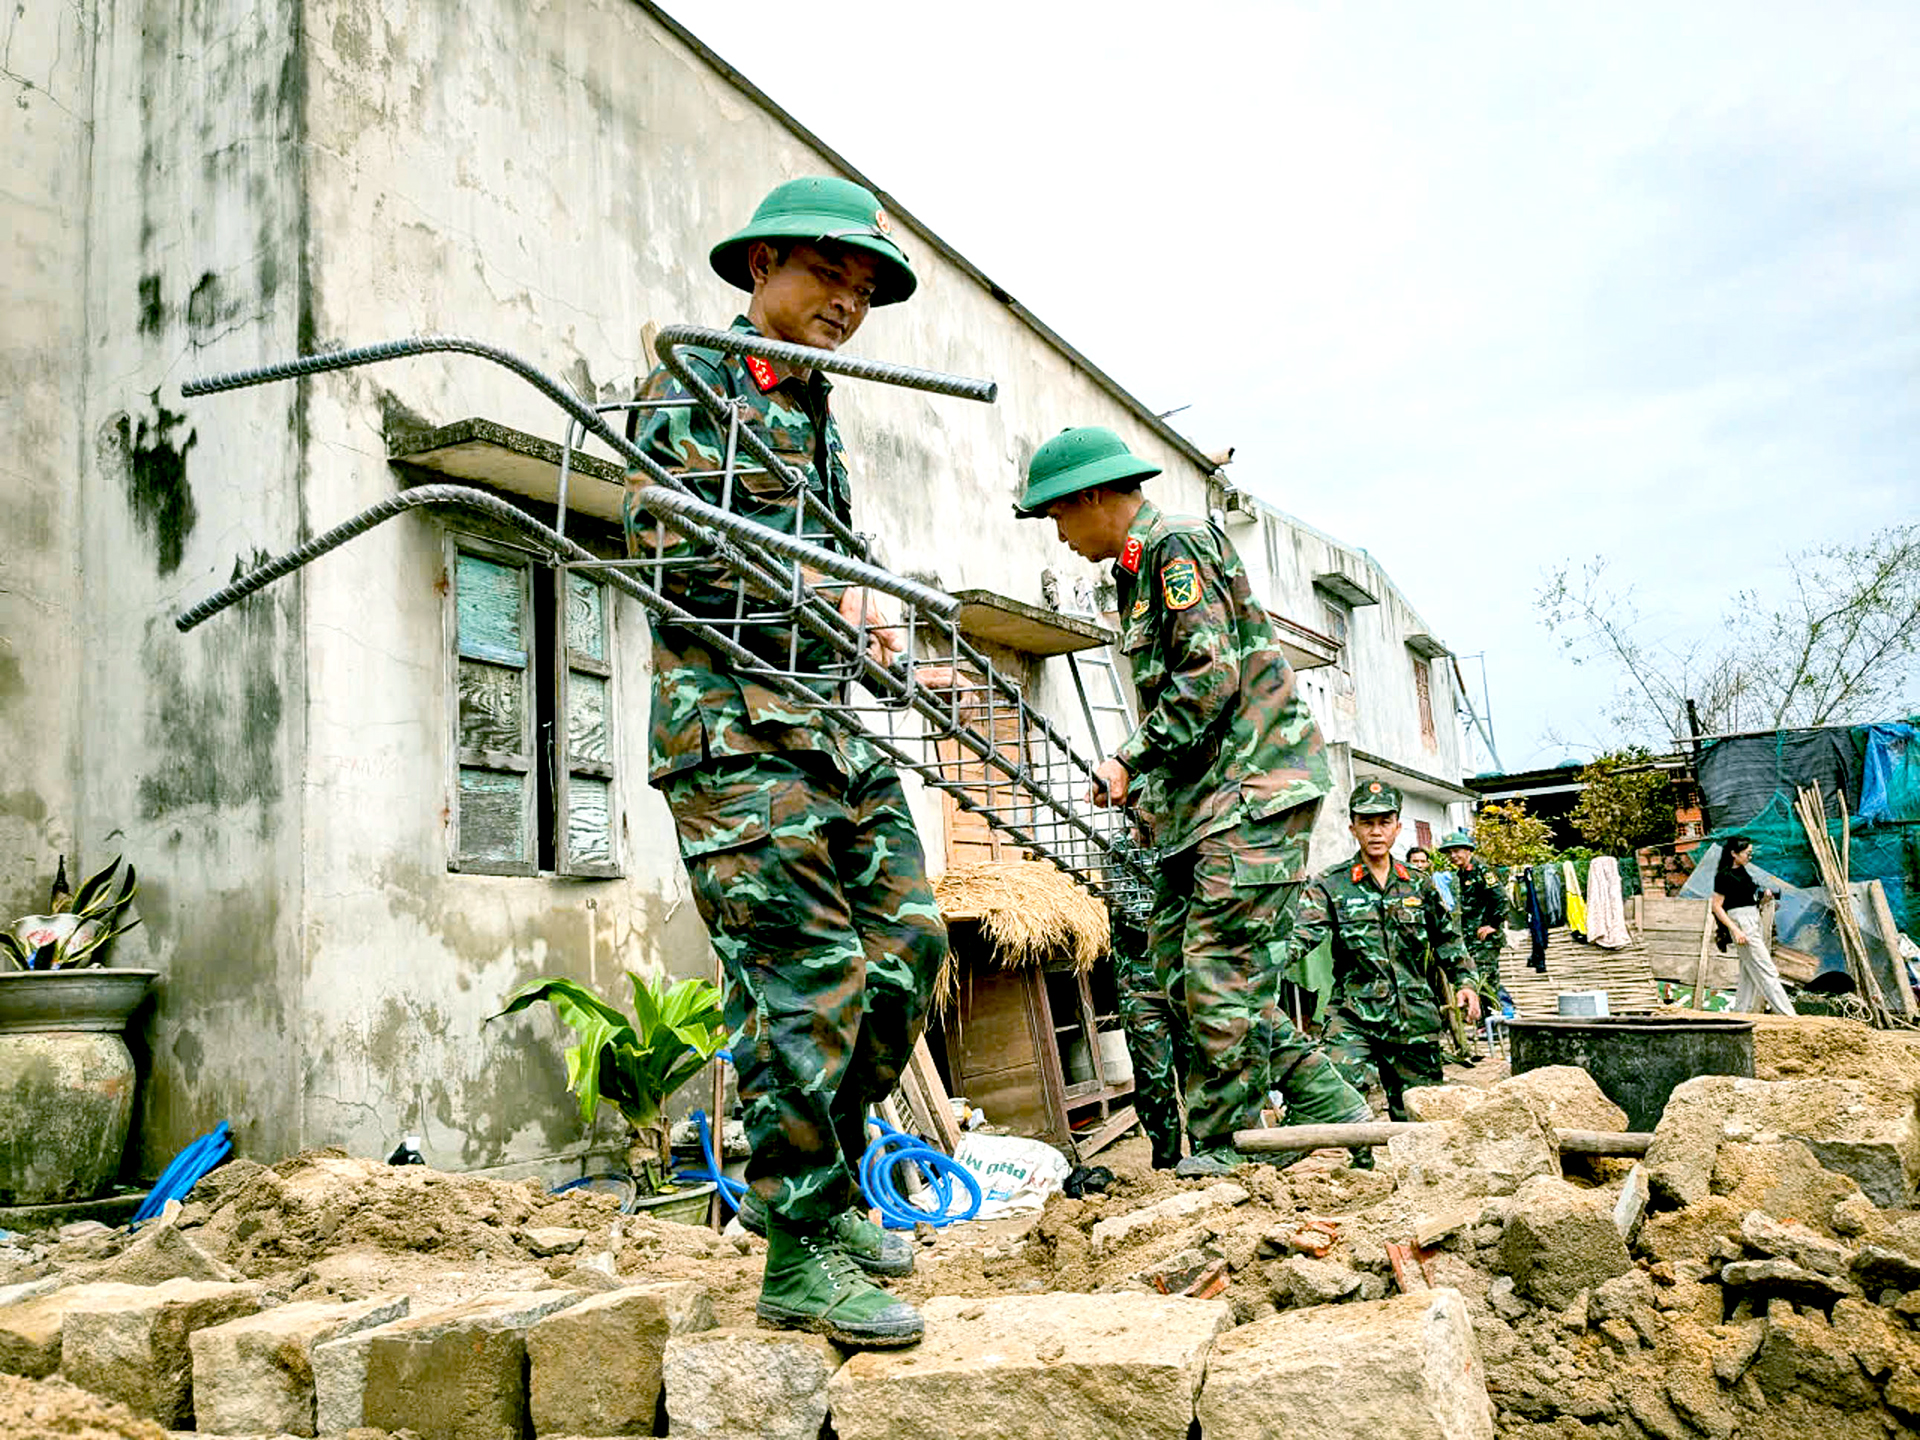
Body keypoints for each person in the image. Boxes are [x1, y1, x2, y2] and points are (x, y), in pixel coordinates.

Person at [627, 176, 939, 1348]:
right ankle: (800, 1252)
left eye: (863, 291)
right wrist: (817, 594)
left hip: (827, 726)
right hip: (732, 735)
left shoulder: (813, 408)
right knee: (810, 980)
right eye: (827, 277)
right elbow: (668, 550)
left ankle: (819, 1186)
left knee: (906, 952)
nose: (847, 306)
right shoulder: (692, 377)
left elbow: (840, 557)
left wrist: (879, 620)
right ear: (761, 269)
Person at [1016, 426, 1372, 1178]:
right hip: (1209, 805)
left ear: (1089, 496)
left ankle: (1226, 1151)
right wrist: (1148, 789)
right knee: (1184, 973)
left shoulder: (1176, 546)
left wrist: (1129, 757)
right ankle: (1332, 1107)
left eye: (1056, 516)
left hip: (1255, 792)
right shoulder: (1135, 572)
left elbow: (1207, 682)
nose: (1058, 534)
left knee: (1215, 975)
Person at [1295, 782, 1483, 1121]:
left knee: (1421, 1117)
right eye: (1367, 823)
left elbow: (1447, 940)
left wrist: (1466, 982)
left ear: (1397, 827)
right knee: (1340, 1099)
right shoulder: (1330, 884)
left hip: (1413, 1019)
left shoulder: (1418, 883)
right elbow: (1300, 937)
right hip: (1354, 1017)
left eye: (1384, 822)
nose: (1376, 831)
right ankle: (1360, 1168)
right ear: (1353, 828)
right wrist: (1256, 966)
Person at [1710, 838, 1797, 1016]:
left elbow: (1747, 899)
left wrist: (1764, 898)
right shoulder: (1723, 876)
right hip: (1741, 923)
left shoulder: (1744, 872)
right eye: (1747, 853)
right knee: (1766, 968)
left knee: (1748, 971)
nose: (1750, 856)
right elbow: (1716, 906)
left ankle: (1740, 1012)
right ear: (1734, 854)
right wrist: (1735, 929)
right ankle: (1788, 1015)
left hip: (1752, 918)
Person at [1441, 829, 1508, 1002]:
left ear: (1468, 851)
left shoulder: (1482, 871)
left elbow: (1501, 898)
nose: (1453, 856)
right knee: (1477, 981)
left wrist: (1493, 924)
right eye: (1449, 852)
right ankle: (1487, 1023)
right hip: (1470, 939)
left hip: (1485, 941)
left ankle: (1493, 1022)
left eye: (1457, 851)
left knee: (1486, 983)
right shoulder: (1460, 875)